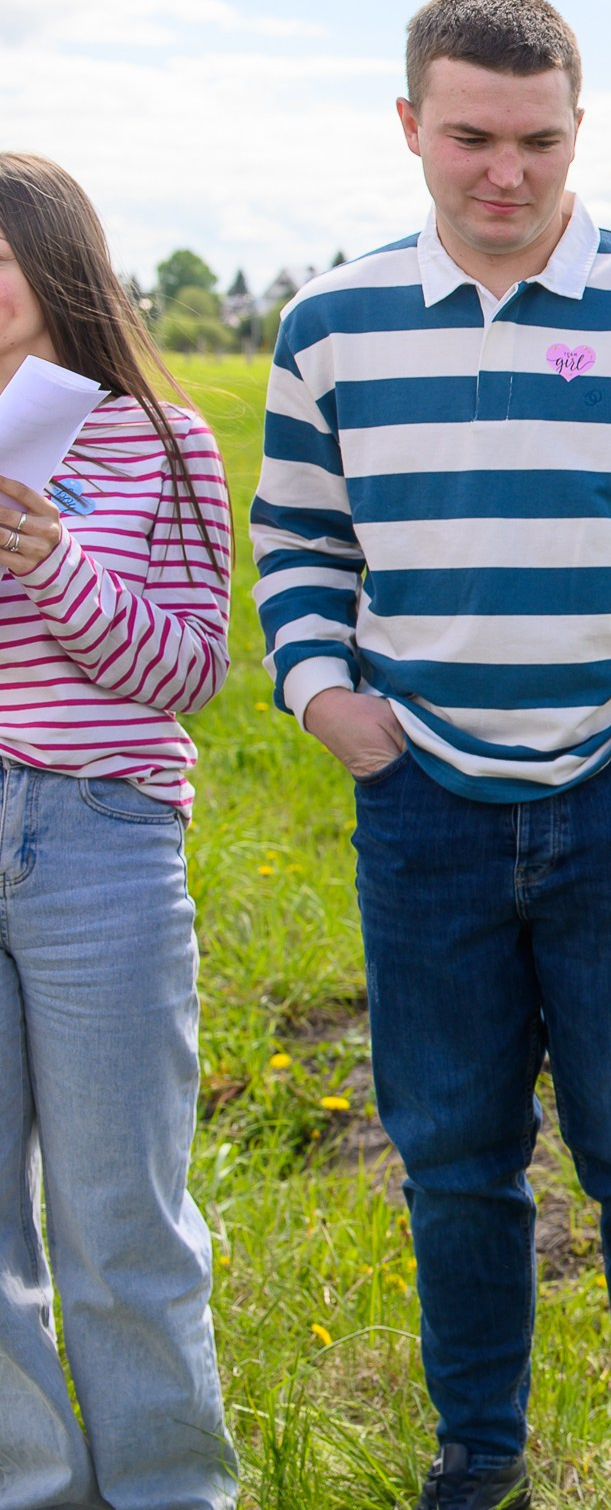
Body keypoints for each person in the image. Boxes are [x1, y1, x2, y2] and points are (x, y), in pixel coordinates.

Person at [249, 0, 611, 1510]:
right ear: (411, 127)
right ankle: (477, 1454)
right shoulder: (331, 323)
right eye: (472, 138)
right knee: (451, 1158)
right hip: (419, 801)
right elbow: (297, 540)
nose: (507, 171)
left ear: (581, 129)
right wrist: (323, 699)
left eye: (541, 140)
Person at [0, 153, 236, 1510]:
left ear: (55, 263)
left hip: (99, 836)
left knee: (123, 1218)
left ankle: (165, 1490)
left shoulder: (156, 437)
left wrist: (56, 563)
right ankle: (29, 1484)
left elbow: (189, 669)